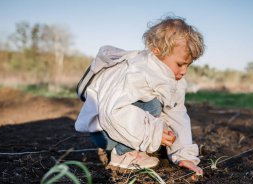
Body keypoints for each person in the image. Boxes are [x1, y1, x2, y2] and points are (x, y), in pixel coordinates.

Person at [75, 16, 205, 175]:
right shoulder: (138, 72)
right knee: (153, 105)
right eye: (180, 64)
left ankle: (137, 145)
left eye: (188, 65)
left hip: (120, 126)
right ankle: (123, 154)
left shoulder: (174, 80)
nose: (184, 71)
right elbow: (113, 112)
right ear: (156, 52)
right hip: (103, 130)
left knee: (164, 112)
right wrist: (154, 133)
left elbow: (177, 114)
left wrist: (184, 155)